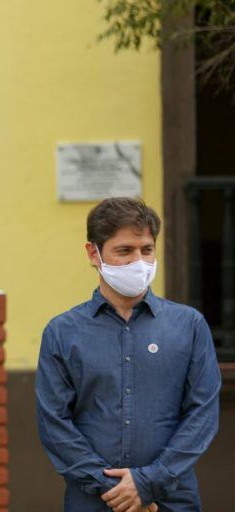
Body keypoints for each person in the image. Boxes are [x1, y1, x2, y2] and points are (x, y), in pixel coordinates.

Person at [35, 197, 221, 512]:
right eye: (125, 251)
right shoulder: (62, 332)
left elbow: (202, 414)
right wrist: (118, 491)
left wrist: (149, 483)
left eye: (146, 250)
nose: (139, 261)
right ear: (93, 253)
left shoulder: (188, 325)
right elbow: (54, 423)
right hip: (93, 501)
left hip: (172, 500)